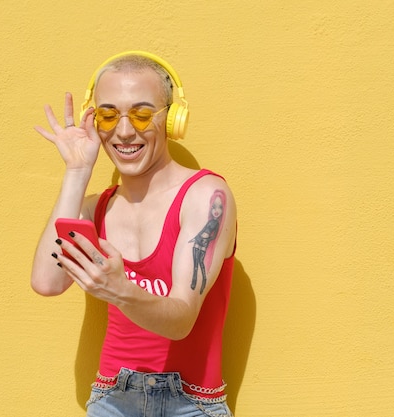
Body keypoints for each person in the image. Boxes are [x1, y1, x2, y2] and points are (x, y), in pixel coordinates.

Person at [31, 51, 237, 417]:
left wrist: (121, 290)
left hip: (192, 404)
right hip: (112, 398)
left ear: (172, 119)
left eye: (142, 113)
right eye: (109, 115)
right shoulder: (97, 208)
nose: (124, 131)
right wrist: (77, 171)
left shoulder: (207, 197)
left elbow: (180, 320)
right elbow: (47, 282)